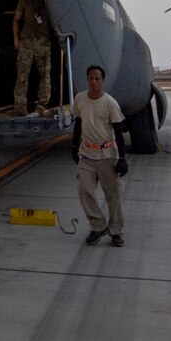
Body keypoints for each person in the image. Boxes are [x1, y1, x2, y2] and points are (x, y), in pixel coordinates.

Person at [69, 64, 126, 246]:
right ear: (87, 79)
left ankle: (116, 231)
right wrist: (73, 146)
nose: (94, 82)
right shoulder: (79, 99)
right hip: (86, 154)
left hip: (107, 155)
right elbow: (78, 123)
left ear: (102, 81)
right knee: (84, 189)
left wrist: (122, 158)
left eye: (97, 78)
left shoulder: (110, 103)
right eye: (91, 78)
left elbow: (118, 131)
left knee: (113, 195)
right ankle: (98, 226)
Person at [11, 0, 53, 115]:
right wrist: (16, 38)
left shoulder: (48, 1)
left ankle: (42, 104)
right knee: (22, 74)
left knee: (45, 74)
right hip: (27, 41)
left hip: (42, 41)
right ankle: (20, 106)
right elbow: (16, 19)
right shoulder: (25, 0)